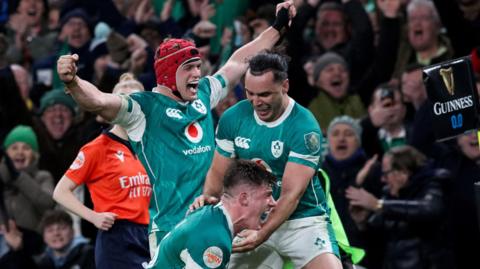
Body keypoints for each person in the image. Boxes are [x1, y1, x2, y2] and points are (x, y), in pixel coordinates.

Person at [56, 0, 296, 253]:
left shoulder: (203, 94)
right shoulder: (143, 110)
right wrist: (73, 82)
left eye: (198, 66)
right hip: (171, 231)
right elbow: (98, 100)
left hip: (211, 223)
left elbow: (237, 63)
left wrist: (276, 28)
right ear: (170, 73)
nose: (197, 74)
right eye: (189, 68)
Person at [191, 51, 342, 269]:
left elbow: (292, 194)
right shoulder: (233, 118)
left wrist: (262, 234)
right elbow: (217, 173)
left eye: (264, 94)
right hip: (252, 217)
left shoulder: (304, 127)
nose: (256, 101)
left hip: (301, 220)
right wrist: (208, 202)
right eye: (250, 93)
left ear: (285, 86)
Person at [53, 73, 151, 269]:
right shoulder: (97, 148)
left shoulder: (152, 148)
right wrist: (93, 217)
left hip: (152, 234)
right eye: (122, 99)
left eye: (134, 99)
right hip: (117, 238)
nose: (127, 105)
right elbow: (60, 192)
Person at [146, 160, 276, 269]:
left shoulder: (213, 216)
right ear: (244, 199)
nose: (273, 203)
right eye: (268, 195)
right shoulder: (214, 239)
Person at [346, 145, 456, 269]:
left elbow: (429, 209)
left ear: (403, 172)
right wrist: (362, 223)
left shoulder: (435, 181)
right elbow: (376, 244)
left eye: (386, 173)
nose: (383, 179)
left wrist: (378, 205)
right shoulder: (390, 194)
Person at [0, 125, 55, 233]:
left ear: (34, 155)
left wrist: (18, 177)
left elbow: (48, 203)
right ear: (6, 154)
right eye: (14, 148)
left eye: (26, 148)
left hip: (34, 242)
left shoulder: (43, 177)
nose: (20, 152)